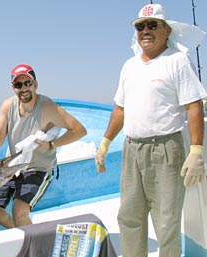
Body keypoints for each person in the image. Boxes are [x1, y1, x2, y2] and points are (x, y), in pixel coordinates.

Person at [94, 4, 206, 257]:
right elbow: (120, 109)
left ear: (167, 30)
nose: (146, 30)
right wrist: (104, 143)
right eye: (140, 26)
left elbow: (193, 107)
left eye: (153, 25)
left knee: (166, 221)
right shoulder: (129, 66)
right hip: (132, 149)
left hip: (166, 149)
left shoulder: (177, 61)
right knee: (129, 217)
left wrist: (196, 151)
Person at [0, 63, 87, 228]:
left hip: (38, 168)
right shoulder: (7, 106)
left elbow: (79, 130)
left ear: (35, 84)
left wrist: (51, 144)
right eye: (18, 85)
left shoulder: (48, 107)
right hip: (13, 166)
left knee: (19, 211)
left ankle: (29, 247)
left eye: (27, 83)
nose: (23, 88)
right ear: (13, 88)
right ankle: (18, 231)